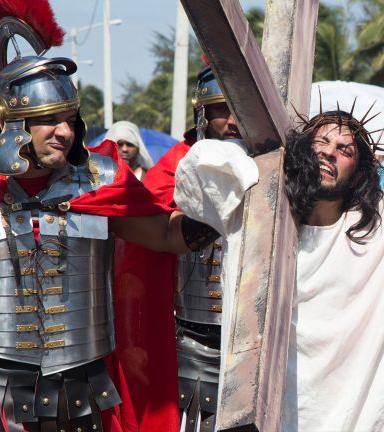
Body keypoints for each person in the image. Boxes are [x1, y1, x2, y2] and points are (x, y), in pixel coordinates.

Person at [0, 2, 214, 429]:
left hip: (83, 392)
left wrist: (218, 211)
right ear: (7, 121)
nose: (64, 132)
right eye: (47, 120)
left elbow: (164, 234)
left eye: (69, 118)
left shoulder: (101, 181)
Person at [174, 95, 384, 430]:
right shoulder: (255, 209)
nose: (328, 151)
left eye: (345, 149)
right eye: (320, 140)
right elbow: (199, 168)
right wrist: (270, 160)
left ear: (359, 175)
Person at [141, 66, 241, 432]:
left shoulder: (281, 163)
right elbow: (149, 230)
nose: (231, 120)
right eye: (219, 109)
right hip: (195, 343)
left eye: (238, 108)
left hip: (260, 341)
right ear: (202, 114)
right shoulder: (176, 165)